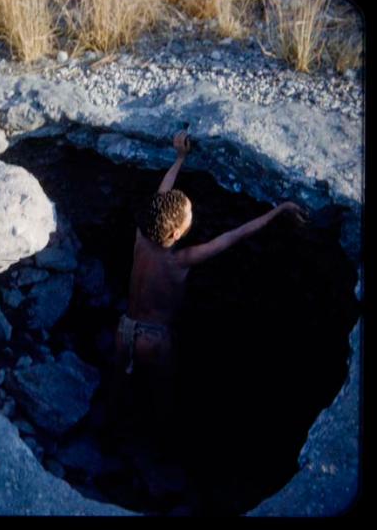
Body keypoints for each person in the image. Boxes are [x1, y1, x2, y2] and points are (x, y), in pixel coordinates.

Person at [108, 130, 311, 437]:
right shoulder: (181, 259)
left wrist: (180, 157)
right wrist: (278, 210)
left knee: (120, 388)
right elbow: (234, 236)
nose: (193, 216)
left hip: (124, 330)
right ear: (176, 234)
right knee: (163, 394)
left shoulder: (140, 237)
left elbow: (159, 198)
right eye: (189, 217)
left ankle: (113, 431)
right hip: (155, 339)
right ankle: (160, 441)